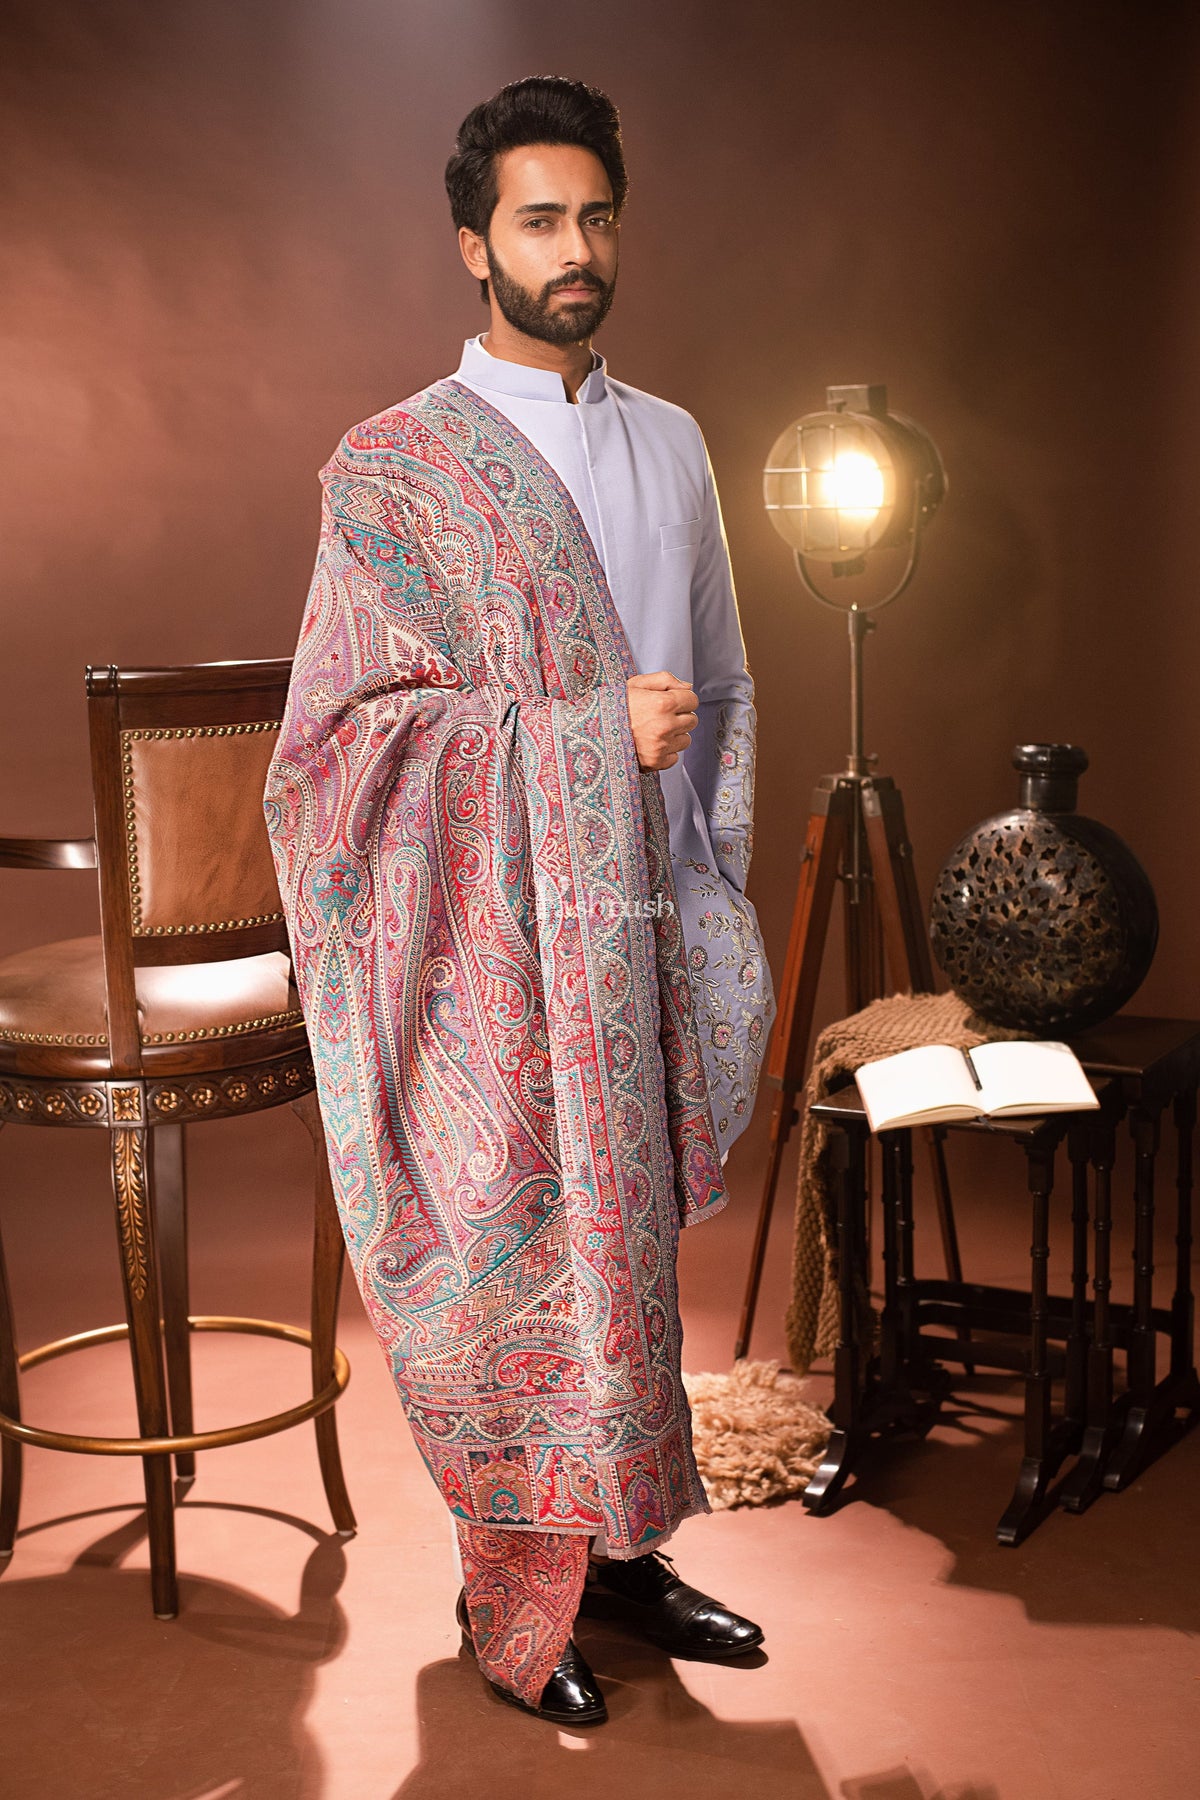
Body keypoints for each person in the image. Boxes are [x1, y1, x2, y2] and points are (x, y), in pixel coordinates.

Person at [264, 75, 775, 1728]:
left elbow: (726, 685)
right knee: (516, 1271)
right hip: (483, 952)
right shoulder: (394, 469)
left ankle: (623, 1555)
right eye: (540, 220)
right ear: (473, 245)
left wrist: (710, 888)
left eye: (597, 216)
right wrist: (577, 740)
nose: (577, 250)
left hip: (645, 925)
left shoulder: (674, 442)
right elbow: (338, 745)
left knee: (627, 1267)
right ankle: (511, 1602)